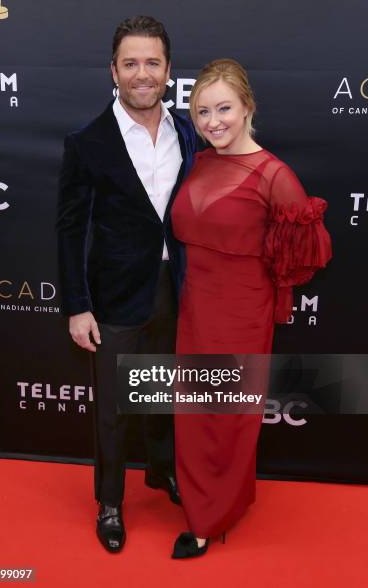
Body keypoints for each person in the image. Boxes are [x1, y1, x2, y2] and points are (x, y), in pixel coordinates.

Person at [170, 58, 332, 559]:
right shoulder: (197, 161)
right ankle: (211, 501)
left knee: (227, 415)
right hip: (195, 308)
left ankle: (208, 519)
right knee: (194, 413)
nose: (213, 121)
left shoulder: (274, 175)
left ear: (247, 109)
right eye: (202, 112)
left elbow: (304, 255)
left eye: (224, 109)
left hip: (241, 314)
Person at [56, 16, 197, 553]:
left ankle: (162, 473)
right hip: (114, 297)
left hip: (175, 290)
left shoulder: (188, 130)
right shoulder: (87, 142)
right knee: (114, 410)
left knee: (163, 396)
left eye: (152, 63)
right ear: (113, 71)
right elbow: (70, 230)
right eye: (131, 63)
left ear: (167, 70)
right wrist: (76, 306)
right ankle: (110, 501)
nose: (143, 73)